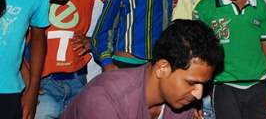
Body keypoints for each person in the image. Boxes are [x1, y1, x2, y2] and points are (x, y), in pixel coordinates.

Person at [61, 19, 224, 119]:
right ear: (162, 68)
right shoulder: (105, 98)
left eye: (203, 85)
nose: (198, 94)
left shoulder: (183, 105)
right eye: (191, 83)